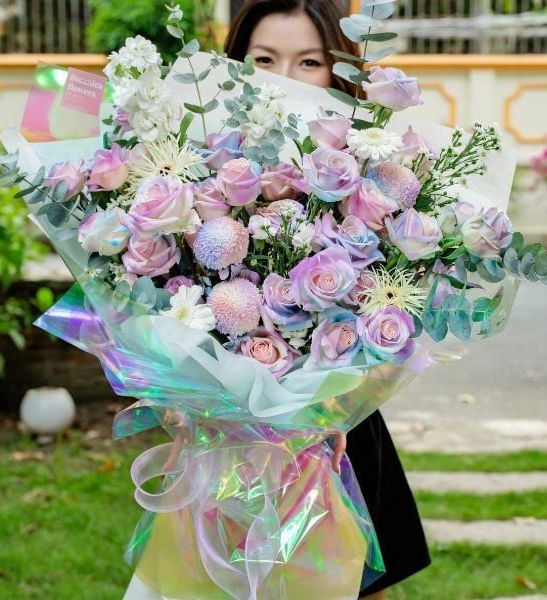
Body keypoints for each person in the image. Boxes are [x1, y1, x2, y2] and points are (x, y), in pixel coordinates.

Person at [225, 1, 431, 599]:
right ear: (235, 65)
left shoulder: (372, 171)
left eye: (309, 62)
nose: (284, 79)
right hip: (230, 434)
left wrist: (334, 406)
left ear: (339, 73)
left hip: (339, 424)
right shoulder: (208, 166)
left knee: (350, 585)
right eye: (264, 59)